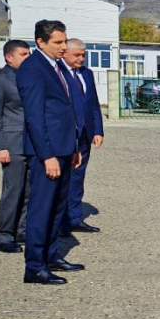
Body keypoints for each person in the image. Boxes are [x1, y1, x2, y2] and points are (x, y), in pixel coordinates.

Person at [18, 20, 85, 285]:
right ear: (40, 42)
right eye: (57, 42)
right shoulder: (32, 69)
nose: (63, 46)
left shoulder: (59, 67)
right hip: (47, 152)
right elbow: (35, 117)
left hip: (65, 148)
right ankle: (34, 265)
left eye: (64, 41)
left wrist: (74, 147)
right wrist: (47, 156)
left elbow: (67, 109)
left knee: (58, 207)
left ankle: (51, 254)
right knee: (41, 208)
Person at [0, 40, 32, 253]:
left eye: (29, 53)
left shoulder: (30, 79)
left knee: (30, 190)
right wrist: (0, 146)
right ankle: (4, 236)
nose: (28, 57)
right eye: (23, 54)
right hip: (12, 143)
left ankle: (22, 230)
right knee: (13, 189)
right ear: (8, 57)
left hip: (32, 143)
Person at [60, 39, 104, 235]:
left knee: (78, 178)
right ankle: (59, 222)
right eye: (76, 55)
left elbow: (93, 103)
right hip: (65, 136)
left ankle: (74, 218)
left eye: (83, 54)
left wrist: (98, 130)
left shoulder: (86, 74)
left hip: (85, 136)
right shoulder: (57, 73)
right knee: (61, 180)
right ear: (65, 54)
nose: (81, 58)